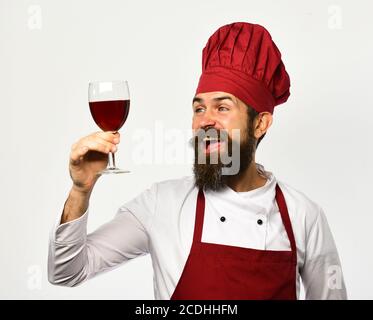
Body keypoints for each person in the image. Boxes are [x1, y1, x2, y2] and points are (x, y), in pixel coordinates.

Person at [48, 22, 347, 299]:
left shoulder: (303, 216)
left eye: (222, 108)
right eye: (199, 108)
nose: (206, 121)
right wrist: (81, 190)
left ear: (260, 124)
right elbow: (67, 272)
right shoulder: (161, 204)